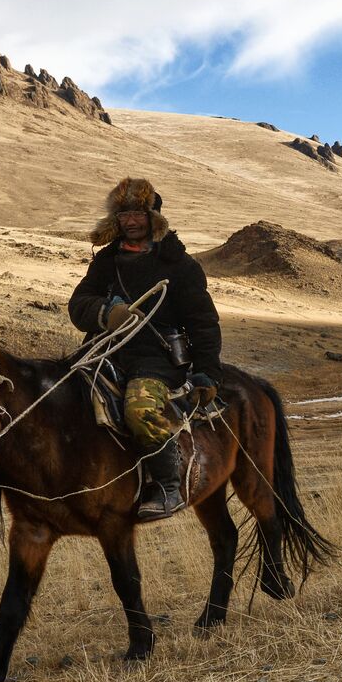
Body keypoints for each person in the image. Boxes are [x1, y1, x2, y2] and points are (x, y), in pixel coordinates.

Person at [68, 177, 222, 522]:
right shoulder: (107, 261)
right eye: (124, 215)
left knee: (139, 410)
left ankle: (168, 487)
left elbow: (204, 323)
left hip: (157, 360)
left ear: (154, 216)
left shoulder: (180, 266)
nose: (131, 221)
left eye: (139, 213)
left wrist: (208, 373)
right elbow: (78, 303)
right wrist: (106, 314)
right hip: (105, 351)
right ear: (115, 220)